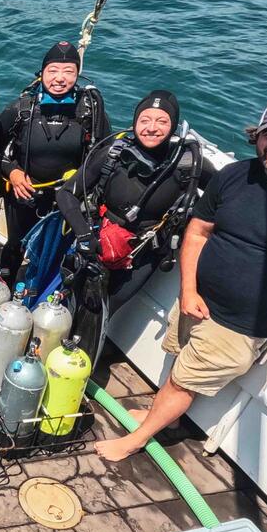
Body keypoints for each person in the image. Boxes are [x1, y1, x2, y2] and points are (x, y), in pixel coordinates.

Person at [96, 96, 267, 462]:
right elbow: (198, 232)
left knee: (185, 380)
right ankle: (160, 418)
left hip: (241, 323)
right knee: (179, 363)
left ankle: (136, 440)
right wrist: (188, 289)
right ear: (256, 136)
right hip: (195, 300)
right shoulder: (235, 176)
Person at [56, 90, 202, 362]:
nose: (152, 128)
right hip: (97, 243)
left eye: (162, 121)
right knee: (76, 301)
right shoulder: (113, 152)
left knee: (105, 309)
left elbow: (220, 198)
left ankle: (81, 363)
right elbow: (65, 193)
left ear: (173, 125)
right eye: (145, 119)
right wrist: (85, 235)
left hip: (144, 255)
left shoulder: (186, 164)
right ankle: (58, 351)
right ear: (135, 121)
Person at [0, 41, 110, 281]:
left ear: (78, 74)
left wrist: (80, 186)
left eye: (68, 72)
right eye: (53, 71)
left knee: (58, 249)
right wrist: (13, 172)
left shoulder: (89, 111)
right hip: (24, 194)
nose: (60, 78)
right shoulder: (22, 109)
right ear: (42, 73)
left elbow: (103, 155)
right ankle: (6, 285)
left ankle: (46, 293)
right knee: (15, 245)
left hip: (68, 198)